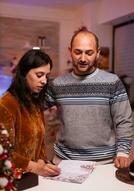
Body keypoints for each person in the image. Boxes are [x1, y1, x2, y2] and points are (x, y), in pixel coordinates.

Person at [48, 26, 134, 168]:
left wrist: (123, 152)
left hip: (104, 164)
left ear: (98, 53)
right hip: (65, 163)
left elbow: (124, 120)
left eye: (89, 53)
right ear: (70, 51)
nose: (83, 58)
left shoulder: (112, 82)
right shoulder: (57, 84)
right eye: (77, 52)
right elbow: (32, 109)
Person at [0, 49, 60, 177]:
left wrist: (42, 161)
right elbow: (3, 152)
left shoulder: (34, 101)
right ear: (23, 73)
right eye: (39, 75)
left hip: (33, 178)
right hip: (12, 180)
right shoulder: (7, 104)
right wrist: (35, 167)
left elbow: (40, 142)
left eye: (46, 76)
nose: (44, 81)